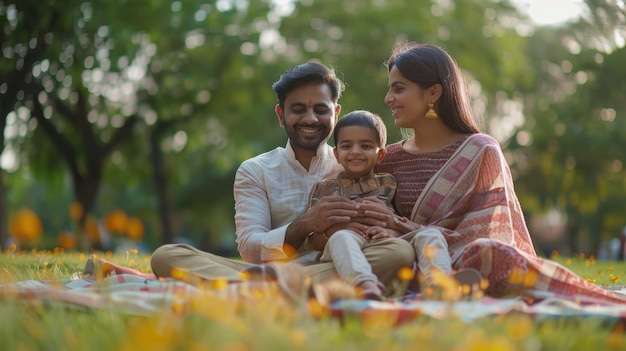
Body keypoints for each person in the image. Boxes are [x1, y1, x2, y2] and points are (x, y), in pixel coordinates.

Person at [354, 41, 625, 304]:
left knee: (490, 254)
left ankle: (450, 288)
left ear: (433, 93)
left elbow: (489, 234)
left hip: (463, 262)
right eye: (390, 90)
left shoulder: (480, 150)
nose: (388, 99)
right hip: (402, 262)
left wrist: (404, 228)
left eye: (398, 89)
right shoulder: (385, 159)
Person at [148, 61, 416, 299]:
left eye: (320, 109)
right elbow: (250, 249)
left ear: (335, 114)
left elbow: (394, 227)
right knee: (167, 256)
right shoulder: (256, 170)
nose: (310, 118)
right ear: (281, 115)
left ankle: (257, 291)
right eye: (298, 109)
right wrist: (307, 223)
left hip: (342, 264)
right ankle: (288, 288)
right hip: (273, 270)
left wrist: (389, 229)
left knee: (398, 254)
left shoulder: (359, 162)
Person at [306, 110, 477, 300]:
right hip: (347, 244)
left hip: (387, 239)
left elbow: (395, 217)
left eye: (366, 146)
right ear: (336, 154)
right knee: (342, 238)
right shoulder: (324, 189)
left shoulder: (388, 182)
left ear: (381, 155)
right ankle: (365, 285)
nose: (355, 151)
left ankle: (440, 286)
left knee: (430, 234)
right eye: (347, 146)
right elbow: (312, 241)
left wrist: (392, 231)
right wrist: (335, 229)